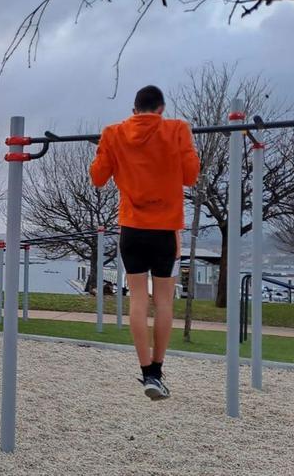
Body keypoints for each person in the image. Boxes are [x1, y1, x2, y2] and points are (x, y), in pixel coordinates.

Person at [89, 85, 199, 401]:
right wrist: (187, 151)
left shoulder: (113, 133)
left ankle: (145, 370)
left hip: (132, 230)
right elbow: (191, 175)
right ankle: (157, 371)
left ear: (134, 110)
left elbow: (97, 178)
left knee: (138, 300)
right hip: (166, 232)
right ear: (161, 109)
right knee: (163, 302)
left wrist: (102, 150)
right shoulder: (178, 129)